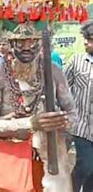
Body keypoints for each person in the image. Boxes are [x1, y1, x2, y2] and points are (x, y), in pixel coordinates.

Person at [0, 22, 76, 192]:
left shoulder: (53, 71)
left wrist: (58, 122)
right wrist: (30, 123)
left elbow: (72, 114)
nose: (26, 47)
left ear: (42, 41)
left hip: (46, 160)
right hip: (9, 159)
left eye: (33, 40)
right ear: (9, 42)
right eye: (20, 41)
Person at [65, 21, 93, 192]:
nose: (85, 43)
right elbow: (62, 87)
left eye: (90, 40)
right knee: (85, 164)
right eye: (85, 39)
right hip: (81, 126)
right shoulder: (76, 61)